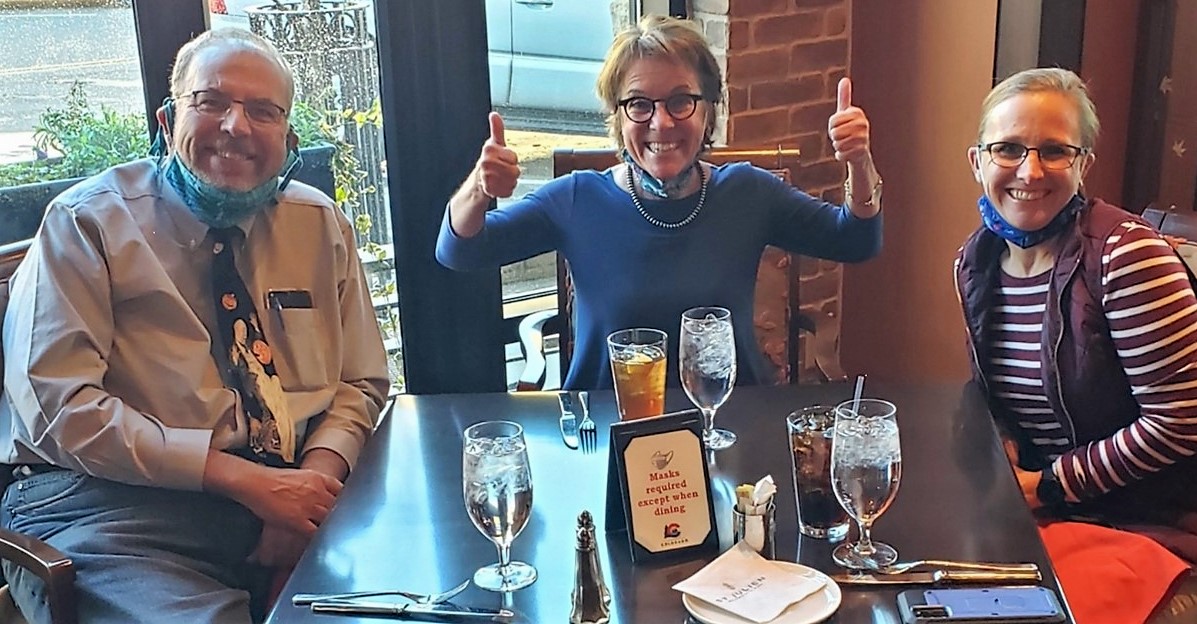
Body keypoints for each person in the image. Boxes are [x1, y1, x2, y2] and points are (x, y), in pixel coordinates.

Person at [0, 29, 389, 623]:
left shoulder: (320, 224)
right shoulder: (85, 225)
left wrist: (305, 494)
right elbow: (60, 410)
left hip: (286, 485)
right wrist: (250, 486)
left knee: (433, 589)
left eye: (263, 111)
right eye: (211, 102)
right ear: (166, 118)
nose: (236, 126)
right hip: (104, 503)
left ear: (288, 139)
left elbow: (359, 382)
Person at [436, 15, 884, 390]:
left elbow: (857, 239)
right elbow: (459, 250)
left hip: (728, 430)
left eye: (679, 101)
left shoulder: (749, 192)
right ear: (618, 116)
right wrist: (479, 187)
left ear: (708, 109)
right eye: (639, 104)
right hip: (607, 433)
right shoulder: (577, 200)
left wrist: (859, 163)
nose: (661, 122)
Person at [955, 67, 1197, 622]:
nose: (1029, 170)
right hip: (1041, 511)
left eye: (1054, 152)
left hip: (1143, 519)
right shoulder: (975, 263)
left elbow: (1181, 420)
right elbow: (999, 403)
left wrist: (1050, 486)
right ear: (978, 162)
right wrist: (1003, 447)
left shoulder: (1127, 257)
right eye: (1008, 148)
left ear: (1083, 164)